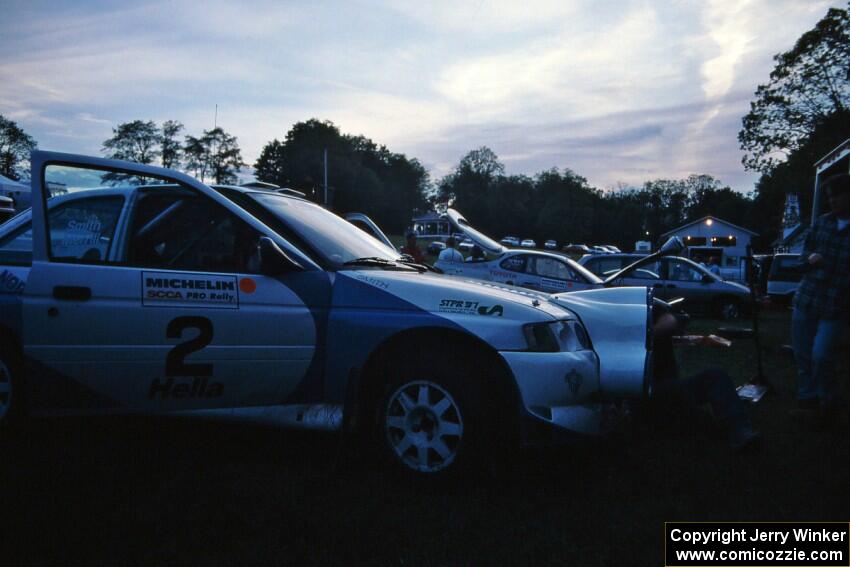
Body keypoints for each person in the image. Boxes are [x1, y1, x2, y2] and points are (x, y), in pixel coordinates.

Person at [647, 303, 763, 451]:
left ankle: (740, 432)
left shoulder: (647, 307)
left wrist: (647, 334)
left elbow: (669, 320)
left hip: (668, 386)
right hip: (644, 391)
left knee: (715, 376)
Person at [790, 173, 850, 427]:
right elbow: (802, 258)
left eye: (835, 196)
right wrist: (809, 258)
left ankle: (828, 400)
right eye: (829, 197)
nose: (832, 202)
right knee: (803, 355)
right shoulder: (822, 223)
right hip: (807, 300)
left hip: (835, 306)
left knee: (821, 355)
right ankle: (808, 399)